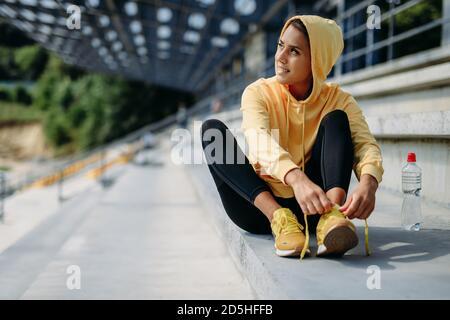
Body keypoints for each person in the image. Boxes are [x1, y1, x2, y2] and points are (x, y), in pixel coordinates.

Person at [200, 15, 383, 259]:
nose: (280, 57)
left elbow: (365, 144)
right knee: (212, 132)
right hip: (259, 210)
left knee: (337, 119)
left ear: (317, 61)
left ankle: (331, 219)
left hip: (315, 205)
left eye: (294, 51)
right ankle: (281, 219)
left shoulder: (339, 100)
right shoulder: (258, 93)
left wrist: (369, 183)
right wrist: (296, 179)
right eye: (280, 45)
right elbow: (258, 139)